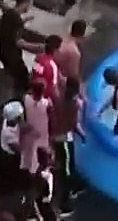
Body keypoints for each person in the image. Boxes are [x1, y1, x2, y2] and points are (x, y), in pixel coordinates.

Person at [50, 77, 85, 216]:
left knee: (65, 165)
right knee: (66, 170)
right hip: (64, 138)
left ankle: (75, 186)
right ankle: (65, 203)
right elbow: (74, 124)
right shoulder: (75, 104)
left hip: (55, 136)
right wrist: (83, 135)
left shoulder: (58, 97)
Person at [0, 0, 42, 97]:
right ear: (24, 3)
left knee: (9, 76)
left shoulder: (9, 14)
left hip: (2, 51)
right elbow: (19, 42)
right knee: (22, 80)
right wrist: (39, 48)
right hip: (12, 56)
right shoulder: (16, 20)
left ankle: (6, 92)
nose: (30, 7)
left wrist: (24, 21)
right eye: (30, 4)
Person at [0, 101, 28, 208]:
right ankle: (8, 202)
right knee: (10, 181)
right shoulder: (10, 135)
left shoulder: (8, 121)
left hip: (5, 155)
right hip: (9, 160)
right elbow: (18, 149)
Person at [20, 77, 53, 178]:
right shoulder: (47, 104)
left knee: (29, 151)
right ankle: (40, 171)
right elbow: (51, 118)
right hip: (42, 131)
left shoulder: (26, 99)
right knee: (42, 151)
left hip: (30, 129)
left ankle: (28, 170)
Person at [55, 20, 87, 87]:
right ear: (82, 35)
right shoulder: (75, 52)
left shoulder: (60, 40)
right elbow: (73, 75)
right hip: (58, 81)